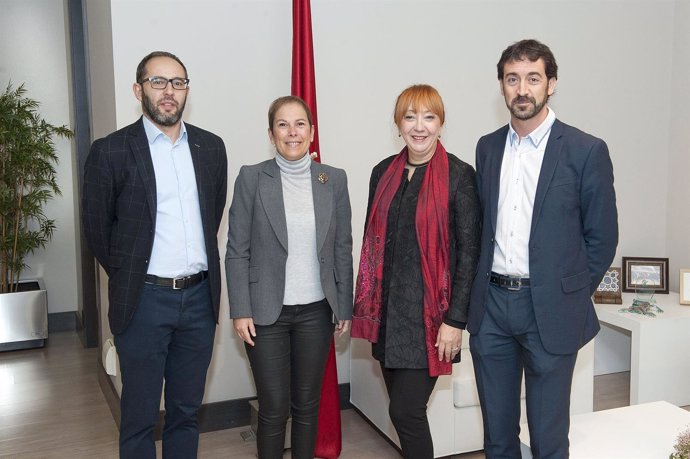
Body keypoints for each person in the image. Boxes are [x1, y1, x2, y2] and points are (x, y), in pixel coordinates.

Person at [468, 39, 618, 458]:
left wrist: (566, 291)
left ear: (551, 84)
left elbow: (602, 236)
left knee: (549, 437)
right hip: (493, 308)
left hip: (550, 309)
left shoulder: (586, 150)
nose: (522, 89)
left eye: (533, 78)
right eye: (512, 79)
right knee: (497, 437)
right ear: (501, 86)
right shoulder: (488, 147)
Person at [82, 51, 227, 458]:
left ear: (187, 91)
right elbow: (96, 230)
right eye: (158, 82)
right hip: (143, 302)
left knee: (185, 412)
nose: (169, 92)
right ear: (138, 89)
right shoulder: (110, 151)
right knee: (140, 416)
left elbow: (210, 216)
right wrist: (131, 273)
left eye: (177, 83)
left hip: (199, 300)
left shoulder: (211, 148)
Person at [351, 84, 481, 459]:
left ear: (441, 124)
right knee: (406, 414)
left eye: (429, 117)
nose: (419, 126)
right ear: (398, 124)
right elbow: (371, 243)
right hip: (387, 319)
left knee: (404, 412)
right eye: (410, 117)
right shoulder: (383, 172)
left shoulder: (459, 175)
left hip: (431, 321)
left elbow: (468, 252)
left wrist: (455, 320)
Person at [226, 95, 353, 459]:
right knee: (273, 408)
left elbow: (342, 247)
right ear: (271, 133)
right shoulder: (251, 178)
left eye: (300, 124)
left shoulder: (334, 180)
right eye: (283, 125)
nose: (292, 132)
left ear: (312, 133)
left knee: (307, 406)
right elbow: (237, 250)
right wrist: (240, 309)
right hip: (266, 314)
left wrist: (343, 305)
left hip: (315, 311)